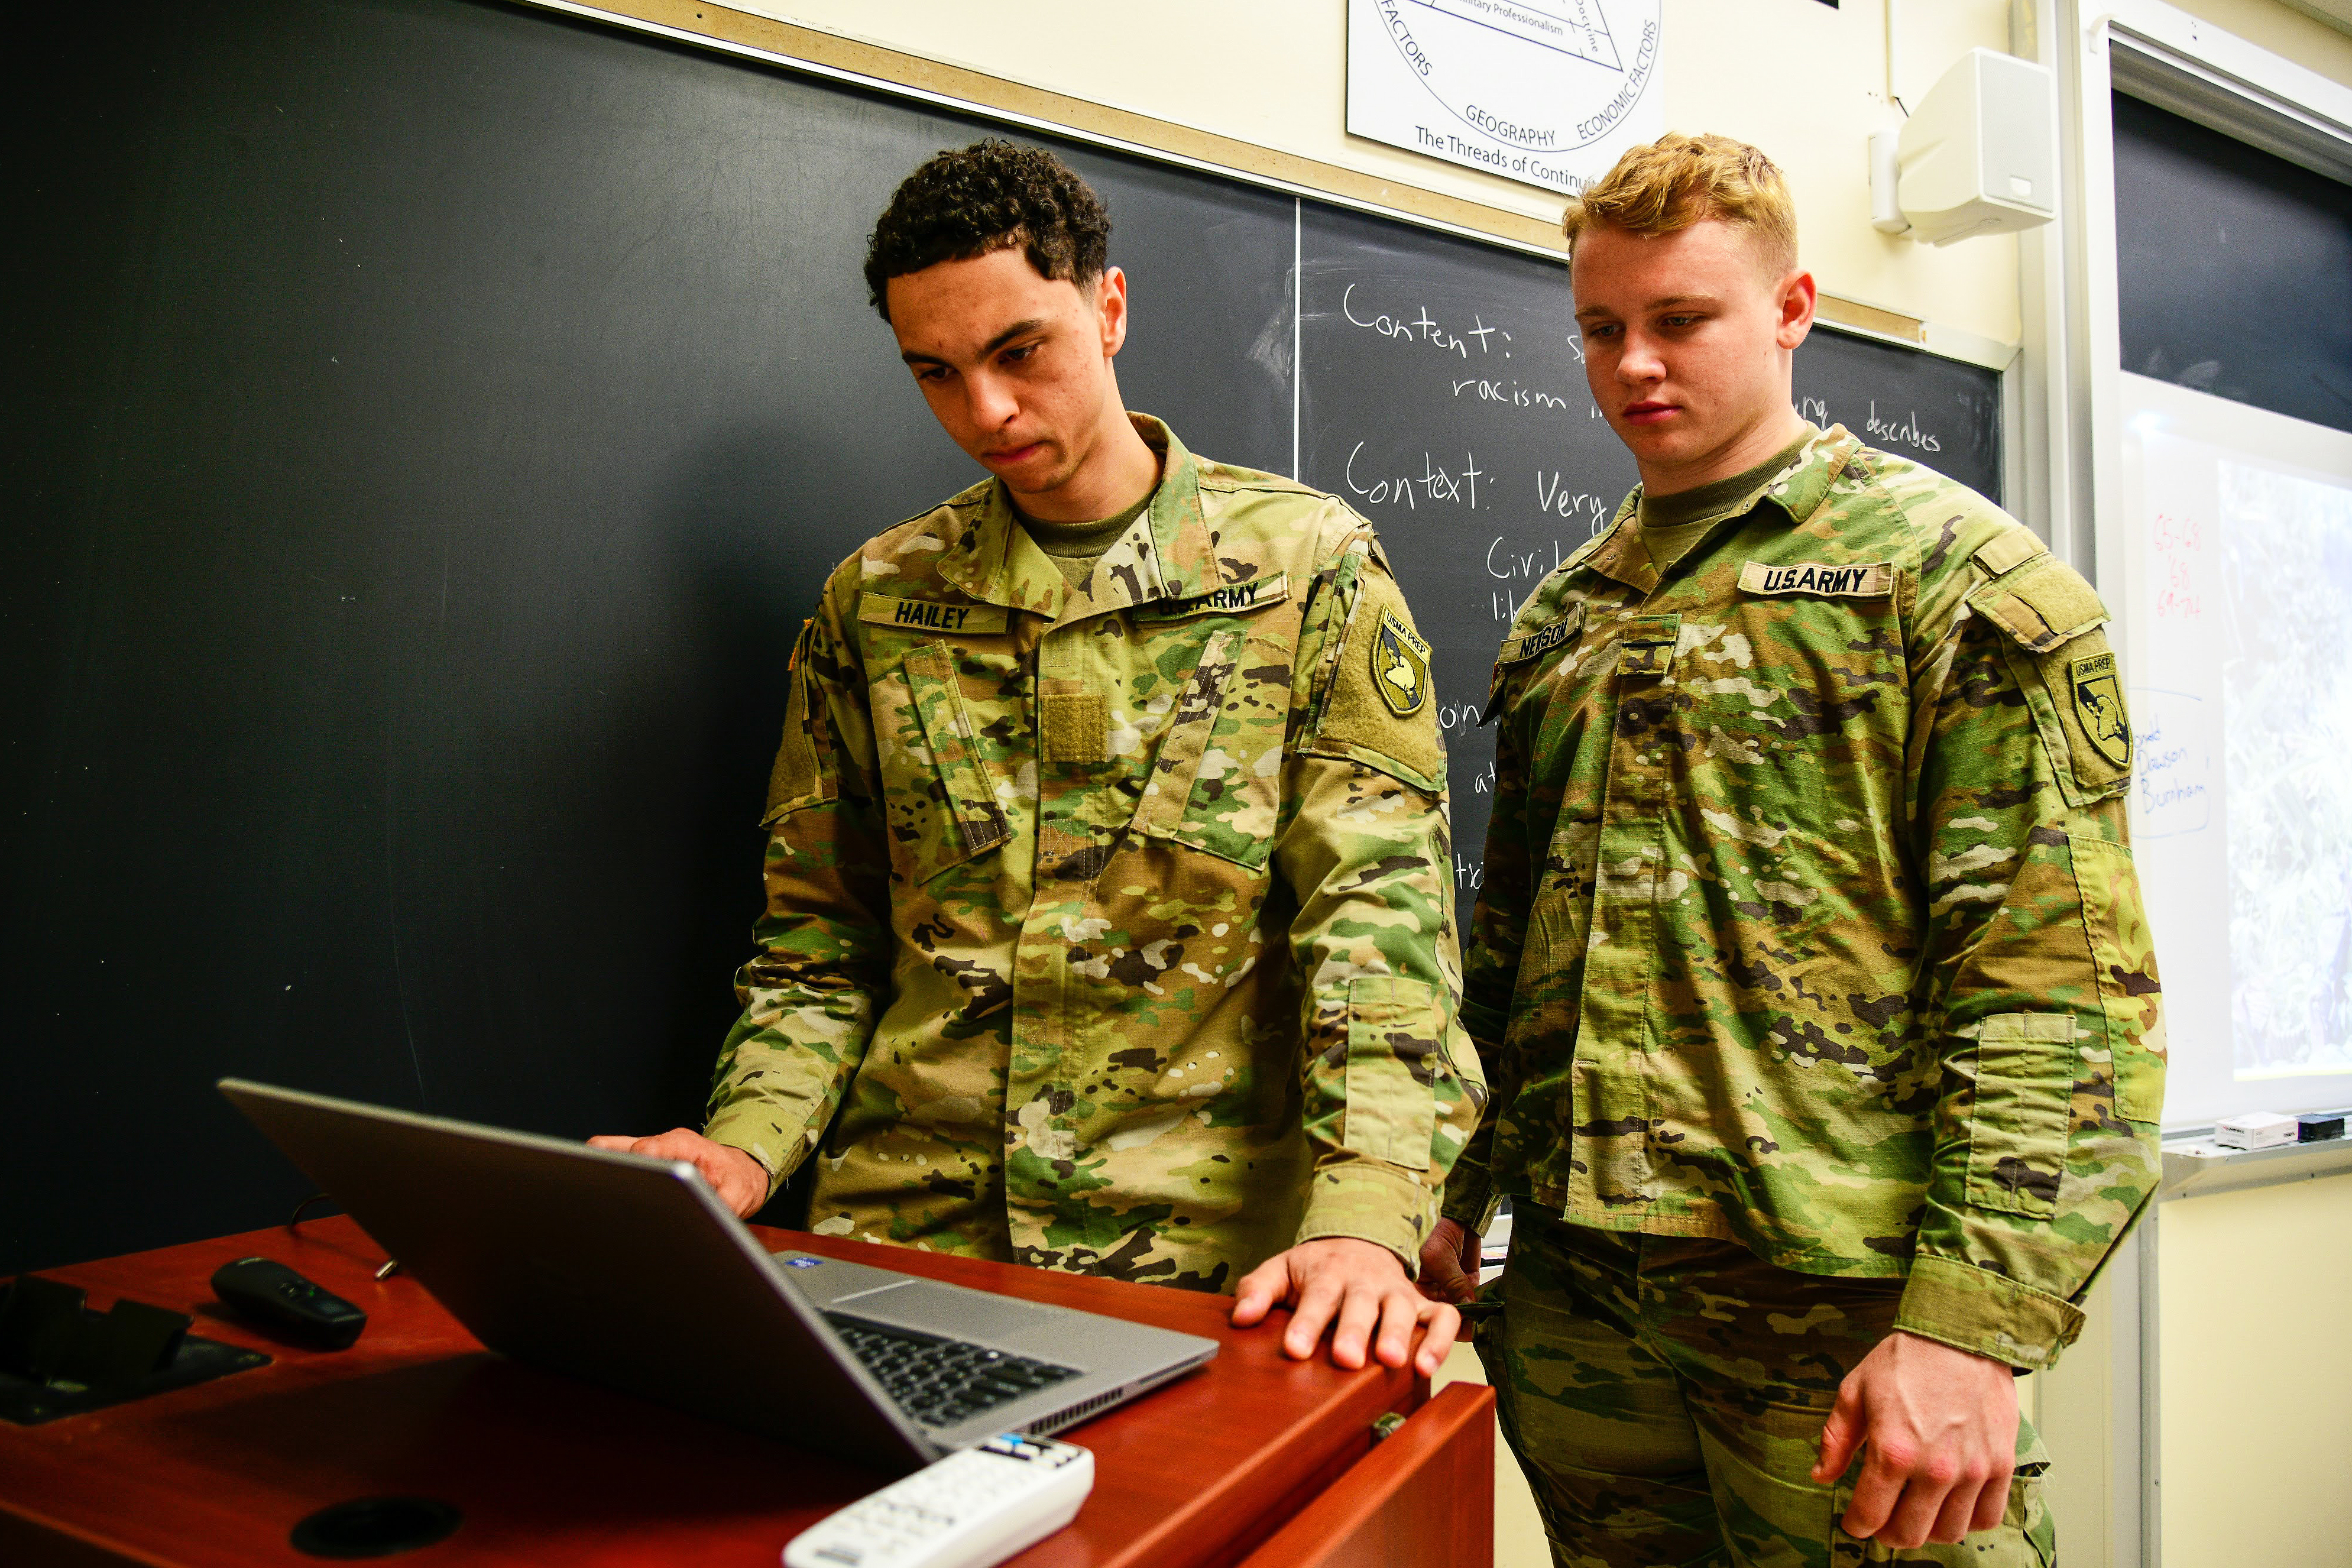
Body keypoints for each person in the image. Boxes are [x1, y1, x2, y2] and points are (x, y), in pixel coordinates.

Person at [592, 141, 1485, 1377]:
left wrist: (1365, 1222)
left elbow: (1378, 930)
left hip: (1211, 1270)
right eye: (936, 375)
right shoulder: (880, 600)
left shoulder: (1304, 571)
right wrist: (742, 1146)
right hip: (909, 1244)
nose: (988, 413)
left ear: (1108, 309)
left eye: (1022, 353)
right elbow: (820, 940)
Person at [1418, 133, 2165, 1564]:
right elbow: (1505, 960)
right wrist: (1456, 1192)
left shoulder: (1954, 583)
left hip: (1843, 1318)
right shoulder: (1569, 617)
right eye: (1601, 327)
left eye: (1680, 320)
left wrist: (1972, 1330)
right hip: (1586, 1311)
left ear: (1791, 308)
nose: (1634, 363)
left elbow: (2062, 999)